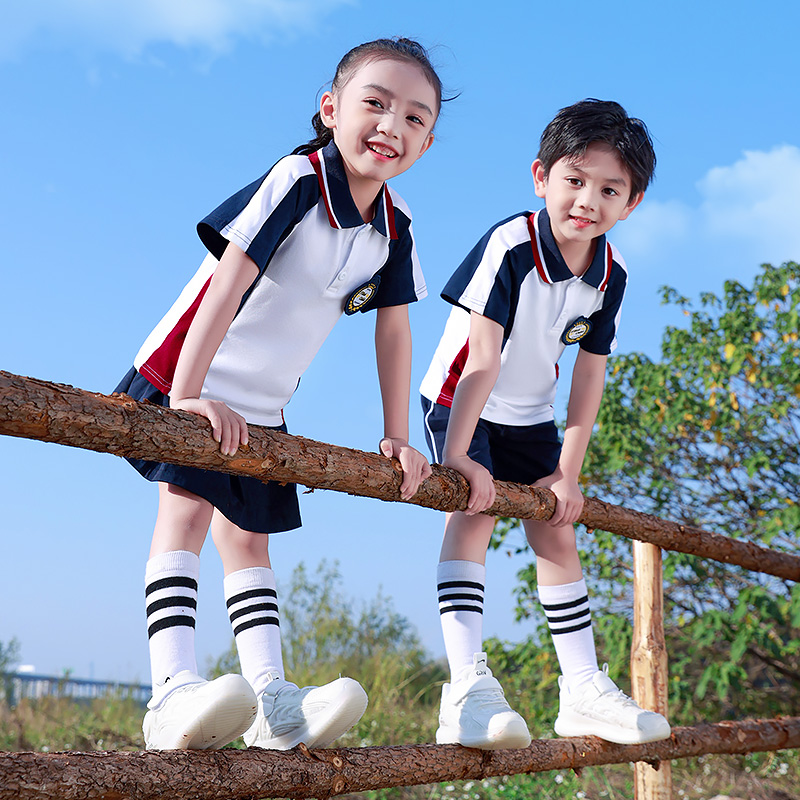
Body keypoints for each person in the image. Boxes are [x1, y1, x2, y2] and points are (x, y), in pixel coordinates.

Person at [116, 37, 442, 751]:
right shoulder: (298, 178)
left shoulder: (397, 226)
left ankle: (272, 702)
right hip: (191, 374)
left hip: (263, 404)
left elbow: (393, 332)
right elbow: (228, 279)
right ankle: (171, 693)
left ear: (429, 138)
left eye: (417, 118)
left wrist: (398, 435)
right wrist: (188, 396)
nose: (393, 126)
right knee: (188, 515)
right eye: (376, 104)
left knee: (251, 539)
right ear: (332, 109)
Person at [419, 99, 671, 749]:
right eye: (575, 179)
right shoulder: (511, 245)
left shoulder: (610, 275)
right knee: (472, 513)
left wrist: (568, 471)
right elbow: (482, 355)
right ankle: (466, 689)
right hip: (461, 401)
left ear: (631, 203)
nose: (588, 199)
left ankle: (582, 688)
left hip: (529, 413)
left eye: (609, 189)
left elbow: (590, 374)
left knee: (558, 533)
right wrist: (461, 454)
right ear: (541, 177)